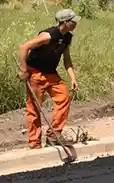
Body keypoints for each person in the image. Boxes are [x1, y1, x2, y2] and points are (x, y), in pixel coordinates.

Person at [18, 8, 81, 148]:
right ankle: (35, 144)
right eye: (73, 21)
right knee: (34, 109)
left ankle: (54, 135)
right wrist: (23, 70)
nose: (76, 23)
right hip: (35, 73)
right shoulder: (48, 35)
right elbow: (24, 47)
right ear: (65, 22)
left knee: (64, 97)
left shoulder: (67, 37)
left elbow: (67, 60)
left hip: (51, 74)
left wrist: (73, 78)